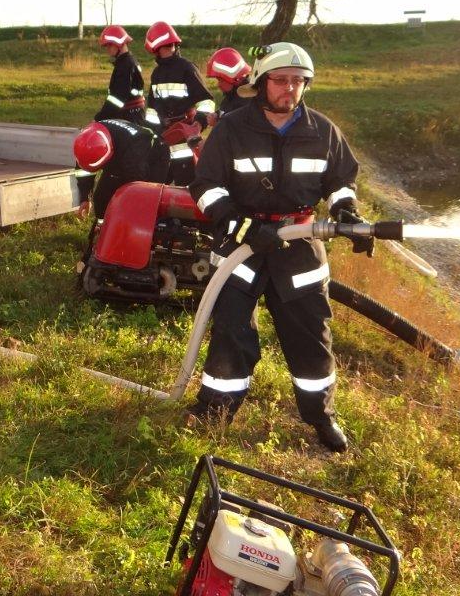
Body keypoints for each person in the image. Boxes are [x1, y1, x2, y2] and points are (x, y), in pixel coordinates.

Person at [188, 42, 374, 453]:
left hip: (300, 250)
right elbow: (204, 187)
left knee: (311, 336)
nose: (289, 89)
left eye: (297, 81)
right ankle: (216, 409)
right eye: (280, 80)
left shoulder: (323, 132)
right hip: (242, 248)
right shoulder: (232, 129)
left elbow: (342, 181)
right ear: (261, 81)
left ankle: (321, 415)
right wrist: (240, 225)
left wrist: (346, 211)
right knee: (231, 333)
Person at [143, 21, 216, 184]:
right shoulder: (157, 73)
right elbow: (153, 108)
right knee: (157, 183)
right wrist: (155, 130)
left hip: (185, 137)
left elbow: (205, 100)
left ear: (155, 47)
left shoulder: (187, 68)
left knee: (187, 184)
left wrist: (198, 123)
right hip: (164, 136)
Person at [73, 119, 172, 221]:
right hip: (122, 152)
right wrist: (84, 198)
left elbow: (136, 181)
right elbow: (83, 171)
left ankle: (146, 231)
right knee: (101, 198)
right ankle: (103, 229)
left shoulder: (134, 150)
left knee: (146, 200)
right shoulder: (86, 142)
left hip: (156, 154)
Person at [92, 25, 146, 124]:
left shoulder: (125, 65)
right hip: (134, 116)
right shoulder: (128, 61)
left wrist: (99, 118)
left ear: (119, 44)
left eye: (110, 45)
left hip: (128, 118)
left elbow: (117, 98)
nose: (107, 49)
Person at [206, 47, 251, 117]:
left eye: (221, 80)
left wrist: (218, 123)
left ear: (234, 78)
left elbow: (235, 124)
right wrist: (216, 115)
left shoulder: (247, 102)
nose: (218, 85)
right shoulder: (233, 95)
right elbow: (226, 110)